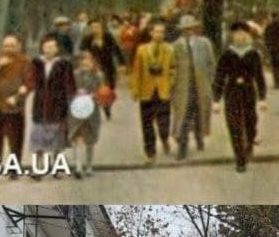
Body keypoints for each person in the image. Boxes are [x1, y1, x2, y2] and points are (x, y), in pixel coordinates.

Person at [212, 21, 266, 173]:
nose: (239, 37)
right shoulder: (227, 54)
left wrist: (262, 98)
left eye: (243, 34)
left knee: (250, 122)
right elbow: (219, 76)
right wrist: (216, 100)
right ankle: (240, 159)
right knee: (234, 124)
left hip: (248, 91)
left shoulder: (253, 54)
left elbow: (259, 77)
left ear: (247, 35)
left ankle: (249, 143)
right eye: (236, 34)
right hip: (232, 91)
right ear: (232, 35)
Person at [0, 33, 35, 168]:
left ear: (18, 47)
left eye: (11, 46)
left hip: (13, 107)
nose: (8, 49)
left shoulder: (25, 62)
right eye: (5, 46)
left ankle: (14, 169)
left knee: (15, 141)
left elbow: (30, 84)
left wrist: (18, 97)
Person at [130, 20, 176, 162]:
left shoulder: (170, 49)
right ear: (151, 33)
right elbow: (137, 71)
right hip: (146, 90)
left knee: (164, 122)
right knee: (147, 123)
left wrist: (170, 83)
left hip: (163, 90)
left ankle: (164, 138)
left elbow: (173, 68)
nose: (159, 34)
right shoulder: (142, 50)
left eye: (162, 32)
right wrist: (135, 90)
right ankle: (150, 153)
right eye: (157, 31)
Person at [171, 14, 215, 159]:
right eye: (185, 30)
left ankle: (199, 139)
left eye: (190, 29)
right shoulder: (176, 45)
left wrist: (211, 82)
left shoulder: (204, 43)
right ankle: (182, 149)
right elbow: (172, 67)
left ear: (195, 29)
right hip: (183, 88)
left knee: (200, 114)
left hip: (201, 86)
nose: (188, 32)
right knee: (184, 117)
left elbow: (211, 64)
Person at [30, 33, 75, 156]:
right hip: (40, 103)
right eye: (46, 47)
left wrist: (71, 99)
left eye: (51, 47)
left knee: (57, 137)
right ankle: (38, 166)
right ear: (42, 48)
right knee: (38, 136)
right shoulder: (36, 63)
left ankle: (57, 165)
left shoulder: (64, 64)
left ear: (57, 49)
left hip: (58, 104)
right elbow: (30, 81)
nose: (48, 50)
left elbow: (69, 84)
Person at [67, 49, 104, 177]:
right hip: (77, 109)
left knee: (90, 139)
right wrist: (76, 94)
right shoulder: (74, 75)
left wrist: (93, 95)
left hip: (92, 110)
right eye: (83, 60)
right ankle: (78, 166)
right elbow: (68, 90)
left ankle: (89, 164)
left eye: (89, 60)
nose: (86, 63)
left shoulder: (99, 75)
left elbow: (103, 92)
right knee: (78, 137)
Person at [80, 19, 123, 119]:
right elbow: (82, 52)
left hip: (108, 66)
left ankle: (107, 106)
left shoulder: (107, 37)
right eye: (93, 27)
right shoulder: (87, 39)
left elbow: (116, 49)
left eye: (97, 27)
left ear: (101, 28)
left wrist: (121, 63)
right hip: (94, 68)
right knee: (93, 89)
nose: (95, 29)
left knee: (110, 88)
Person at [263, 11, 279, 89]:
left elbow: (266, 38)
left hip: (273, 49)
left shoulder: (269, 26)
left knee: (275, 66)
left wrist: (268, 47)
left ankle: (276, 83)